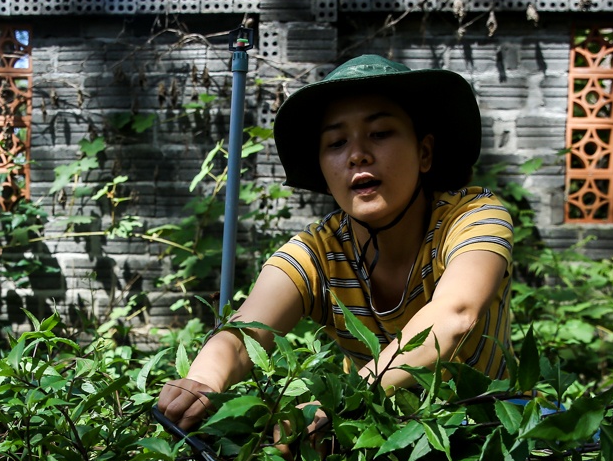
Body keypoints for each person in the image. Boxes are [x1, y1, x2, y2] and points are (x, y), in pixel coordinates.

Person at [154, 54, 516, 441]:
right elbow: (245, 335)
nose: (357, 155)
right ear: (324, 173)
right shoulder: (317, 253)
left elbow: (455, 316)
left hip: (489, 432)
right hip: (367, 437)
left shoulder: (473, 217)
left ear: (424, 152)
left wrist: (342, 400)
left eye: (380, 133)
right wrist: (201, 382)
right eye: (337, 143)